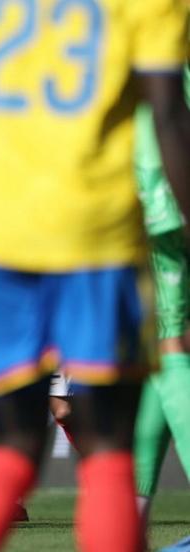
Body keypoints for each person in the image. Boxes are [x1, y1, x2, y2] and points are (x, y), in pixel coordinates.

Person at [0, 2, 190, 551]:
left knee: (11, 445)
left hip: (0, 234)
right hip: (96, 234)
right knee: (106, 448)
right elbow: (169, 114)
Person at [133, 65, 190, 535]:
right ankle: (131, 515)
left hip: (160, 206)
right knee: (161, 354)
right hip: (163, 205)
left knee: (169, 348)